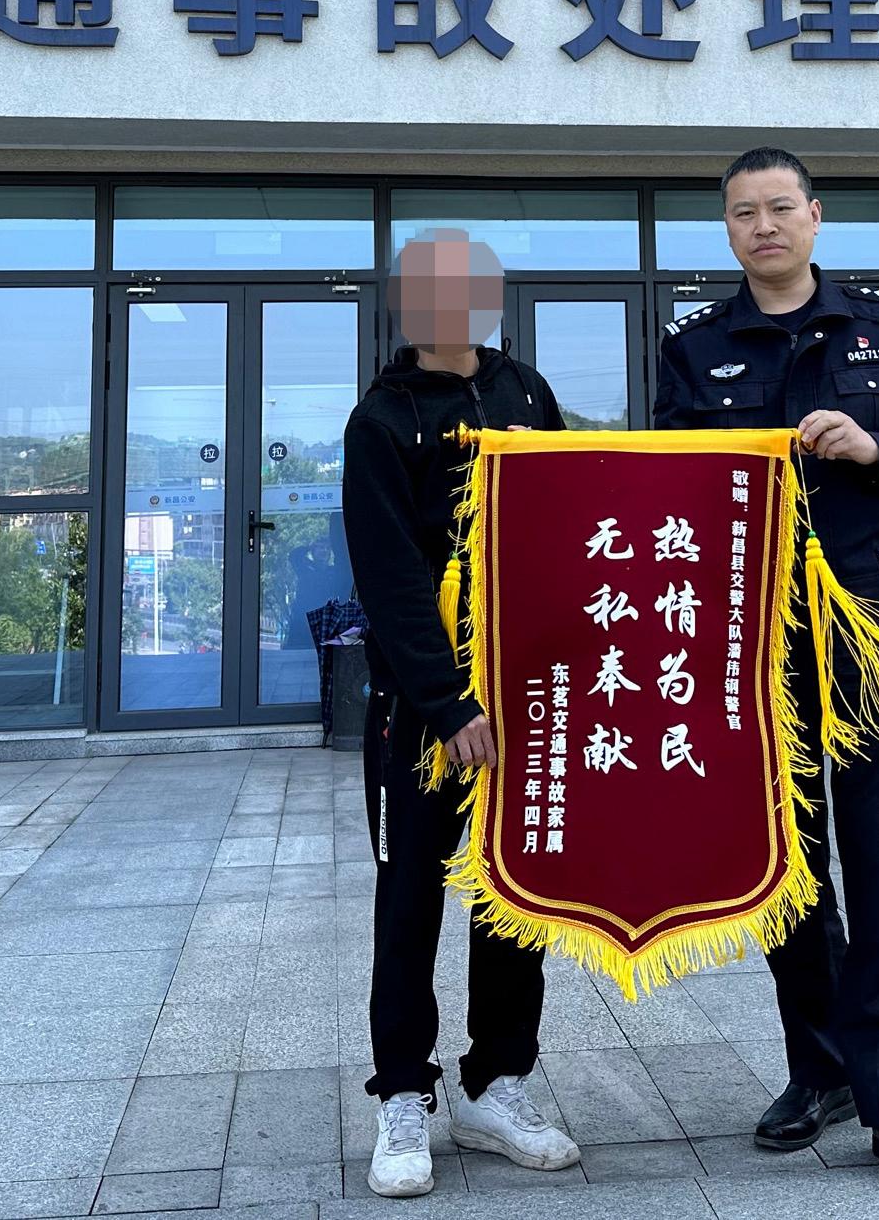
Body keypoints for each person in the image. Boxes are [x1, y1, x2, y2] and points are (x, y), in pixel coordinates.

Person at [652, 148, 879, 1200]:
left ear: (814, 216)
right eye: (742, 213)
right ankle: (825, 1068)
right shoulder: (694, 347)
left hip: (872, 636)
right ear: (727, 229)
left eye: (779, 207)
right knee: (785, 868)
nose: (762, 226)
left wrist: (874, 446)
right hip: (754, 642)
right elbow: (667, 487)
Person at [342, 227, 581, 1199]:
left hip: (526, 697)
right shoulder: (382, 417)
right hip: (424, 712)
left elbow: (573, 517)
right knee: (409, 899)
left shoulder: (527, 393)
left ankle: (496, 1085)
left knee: (513, 895)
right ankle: (404, 1092)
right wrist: (446, 704)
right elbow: (390, 577)